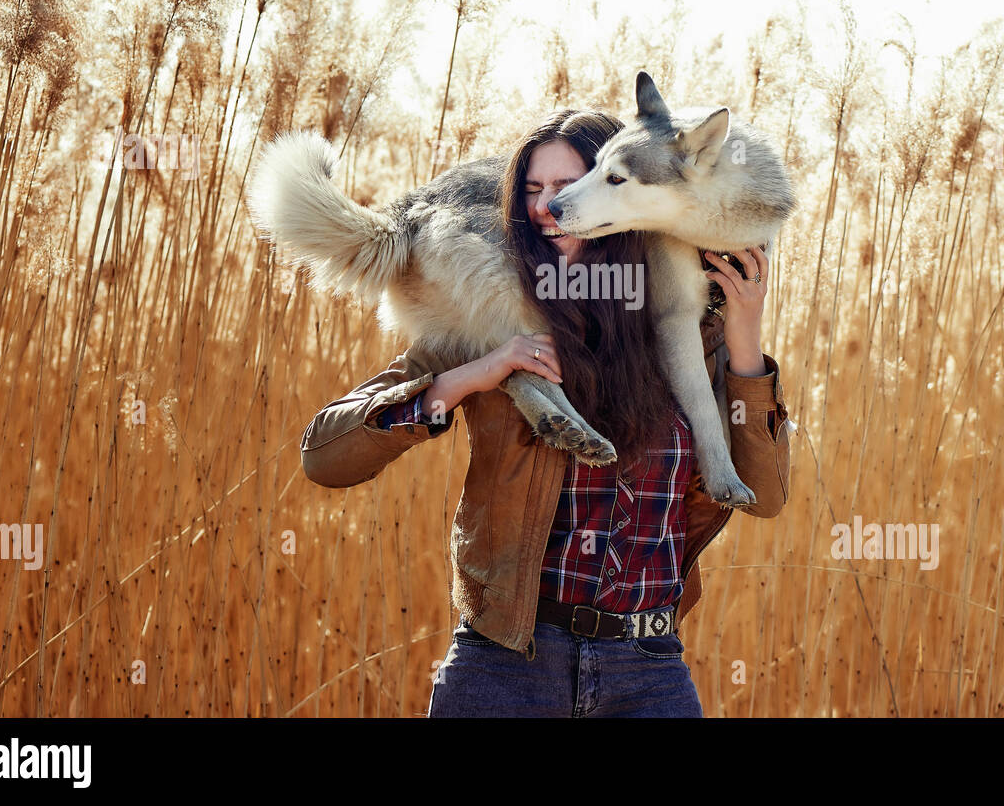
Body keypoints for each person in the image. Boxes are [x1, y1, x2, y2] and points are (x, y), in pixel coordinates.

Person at [299, 108, 792, 717]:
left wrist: (746, 335)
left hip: (648, 674)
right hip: (507, 667)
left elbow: (765, 496)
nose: (548, 207)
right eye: (531, 191)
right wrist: (470, 376)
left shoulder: (691, 331)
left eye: (567, 186)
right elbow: (324, 456)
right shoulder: (488, 320)